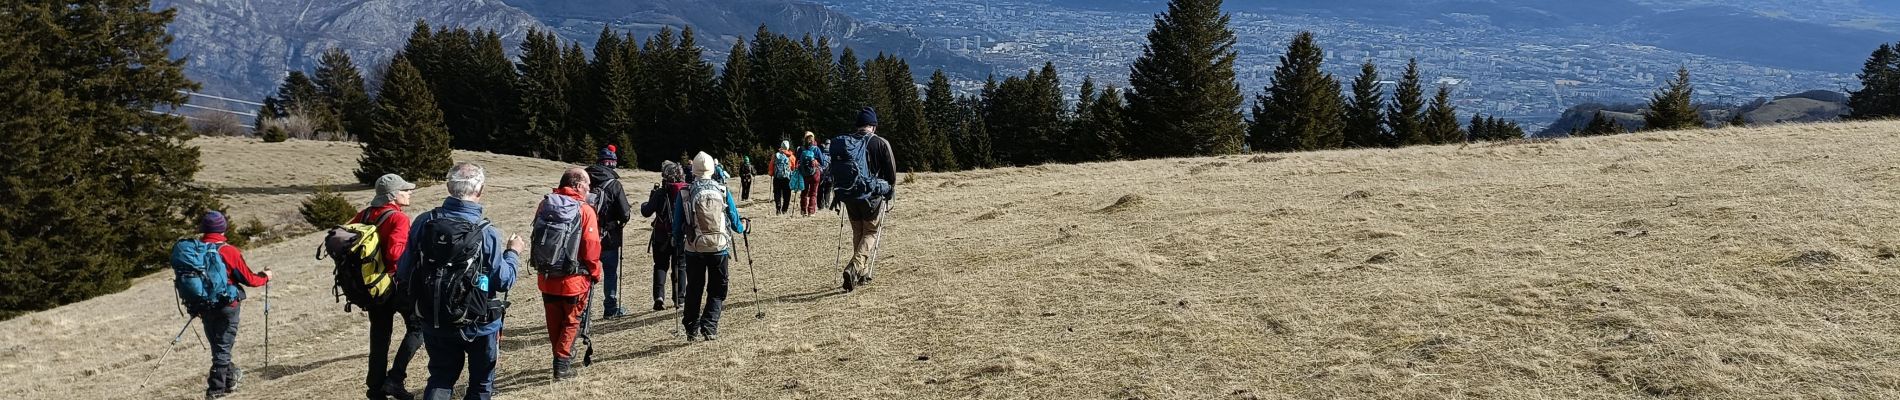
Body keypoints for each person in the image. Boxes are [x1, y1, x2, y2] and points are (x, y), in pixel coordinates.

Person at [397, 162, 523, 400]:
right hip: (480, 322)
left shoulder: (424, 221)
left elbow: (404, 271)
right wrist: (513, 253)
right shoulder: (487, 231)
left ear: (448, 186)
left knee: (440, 377)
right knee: (481, 384)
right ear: (481, 190)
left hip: (434, 317)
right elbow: (503, 281)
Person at [187, 211, 273, 400]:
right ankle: (215, 390)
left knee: (219, 347)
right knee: (223, 347)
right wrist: (265, 277)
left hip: (204, 305)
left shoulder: (193, 250)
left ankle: (230, 380)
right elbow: (249, 279)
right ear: (222, 228)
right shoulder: (227, 250)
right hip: (227, 304)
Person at [533, 168, 604, 381]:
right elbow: (591, 247)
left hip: (547, 276)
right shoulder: (585, 210)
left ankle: (559, 357)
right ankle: (562, 364)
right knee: (572, 320)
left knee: (554, 320)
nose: (589, 189)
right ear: (577, 185)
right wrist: (595, 271)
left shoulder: (545, 204)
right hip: (574, 279)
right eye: (587, 185)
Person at [356, 174, 420, 400]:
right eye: (405, 190)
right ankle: (394, 379)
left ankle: (375, 389)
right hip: (395, 284)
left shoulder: (363, 214)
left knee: (380, 338)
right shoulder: (398, 218)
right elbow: (395, 254)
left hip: (372, 286)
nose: (409, 192)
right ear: (393, 195)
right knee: (418, 327)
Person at [677, 152, 747, 341]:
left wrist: (677, 244)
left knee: (694, 288)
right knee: (717, 288)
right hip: (719, 247)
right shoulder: (722, 190)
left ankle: (691, 328)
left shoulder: (685, 193)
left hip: (694, 249)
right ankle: (710, 326)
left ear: (694, 171)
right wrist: (743, 227)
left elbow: (677, 225)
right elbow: (734, 219)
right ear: (713, 169)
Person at [829, 107, 897, 292]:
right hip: (871, 196)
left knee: (858, 231)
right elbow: (891, 174)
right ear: (873, 126)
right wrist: (889, 191)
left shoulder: (847, 143)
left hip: (849, 194)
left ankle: (861, 273)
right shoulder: (880, 143)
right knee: (871, 232)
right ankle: (854, 267)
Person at [586, 146, 631, 319]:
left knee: (587, 274)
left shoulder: (585, 181)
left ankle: (583, 311)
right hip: (609, 238)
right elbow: (625, 213)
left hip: (586, 238)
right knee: (610, 272)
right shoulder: (614, 184)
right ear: (612, 164)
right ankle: (610, 308)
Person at [641, 161, 689, 311]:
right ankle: (679, 299)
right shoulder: (686, 191)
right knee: (680, 266)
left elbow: (646, 211)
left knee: (660, 266)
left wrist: (647, 202)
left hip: (661, 236)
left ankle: (659, 297)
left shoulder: (661, 193)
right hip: (680, 235)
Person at [798, 131, 829, 217]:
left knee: (804, 192)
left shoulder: (801, 149)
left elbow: (798, 161)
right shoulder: (816, 149)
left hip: (804, 174)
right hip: (815, 174)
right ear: (813, 139)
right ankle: (811, 211)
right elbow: (822, 162)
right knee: (813, 193)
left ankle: (803, 210)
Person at [769, 140, 796, 215]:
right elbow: (793, 168)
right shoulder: (791, 156)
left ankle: (778, 207)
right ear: (788, 147)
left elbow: (771, 165)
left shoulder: (776, 155)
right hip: (787, 178)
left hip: (777, 177)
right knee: (787, 194)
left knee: (777, 193)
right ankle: (784, 209)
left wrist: (771, 173)